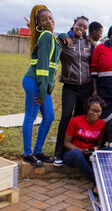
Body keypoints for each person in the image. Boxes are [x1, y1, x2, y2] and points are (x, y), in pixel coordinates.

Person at [22, 5, 61, 167]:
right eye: (44, 20)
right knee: (31, 117)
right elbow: (43, 67)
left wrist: (65, 35)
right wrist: (44, 91)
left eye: (50, 18)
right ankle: (27, 154)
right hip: (35, 82)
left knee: (49, 116)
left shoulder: (51, 36)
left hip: (42, 84)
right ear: (39, 24)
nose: (49, 21)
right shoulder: (46, 36)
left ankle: (38, 151)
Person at [54, 16, 93, 166]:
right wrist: (63, 35)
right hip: (70, 86)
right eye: (79, 25)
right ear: (74, 24)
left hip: (86, 88)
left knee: (79, 120)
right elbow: (54, 35)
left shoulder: (89, 44)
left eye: (84, 27)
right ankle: (59, 153)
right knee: (65, 118)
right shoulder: (65, 41)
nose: (81, 29)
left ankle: (73, 153)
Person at [63, 96, 106, 192]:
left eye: (98, 111)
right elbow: (66, 143)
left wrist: (94, 148)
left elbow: (99, 144)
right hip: (73, 154)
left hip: (88, 155)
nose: (95, 113)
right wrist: (81, 150)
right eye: (93, 110)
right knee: (76, 154)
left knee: (109, 151)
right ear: (87, 109)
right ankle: (98, 183)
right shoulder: (75, 121)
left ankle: (104, 183)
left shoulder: (102, 124)